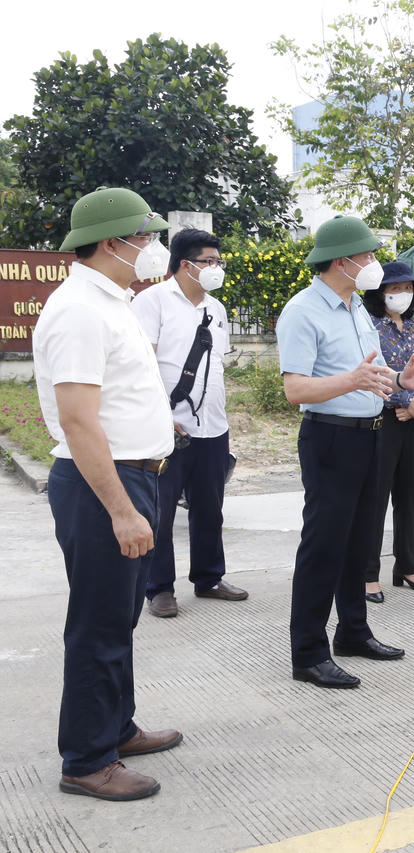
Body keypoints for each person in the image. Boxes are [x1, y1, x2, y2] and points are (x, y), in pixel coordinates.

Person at [34, 187, 182, 801]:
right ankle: (87, 760)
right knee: (98, 624)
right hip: (104, 486)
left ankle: (116, 729)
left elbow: (115, 395)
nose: (151, 247)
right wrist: (121, 508)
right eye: (143, 236)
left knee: (118, 617)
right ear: (112, 242)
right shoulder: (77, 310)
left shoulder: (114, 300)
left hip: (134, 474)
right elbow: (77, 420)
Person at [277, 215, 414, 689]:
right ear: (340, 261)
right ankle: (308, 653)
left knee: (358, 541)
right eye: (367, 255)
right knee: (324, 546)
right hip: (330, 437)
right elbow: (296, 389)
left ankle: (353, 631)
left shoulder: (353, 308)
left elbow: (369, 373)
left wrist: (399, 379)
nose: (374, 263)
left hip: (370, 432)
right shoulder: (303, 310)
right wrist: (352, 381)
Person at [130, 228, 247, 618]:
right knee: (160, 513)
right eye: (208, 261)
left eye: (218, 261)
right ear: (184, 265)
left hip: (213, 426)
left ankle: (209, 577)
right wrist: (161, 416)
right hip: (167, 428)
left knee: (210, 508)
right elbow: (141, 367)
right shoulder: (153, 302)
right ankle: (159, 588)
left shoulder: (217, 308)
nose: (216, 268)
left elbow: (215, 368)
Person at [361, 261, 414, 603]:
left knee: (408, 496)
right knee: (375, 500)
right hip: (382, 420)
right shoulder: (369, 327)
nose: (402, 294)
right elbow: (370, 374)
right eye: (395, 288)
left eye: (408, 288)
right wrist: (405, 400)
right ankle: (367, 574)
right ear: (380, 292)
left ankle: (407, 566)